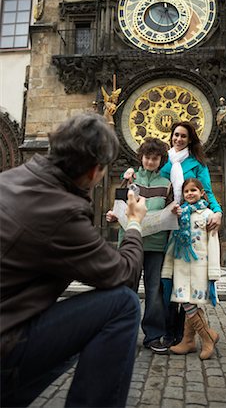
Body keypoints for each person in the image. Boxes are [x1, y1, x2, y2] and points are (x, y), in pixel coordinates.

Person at [0, 113, 147, 408]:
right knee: (122, 305)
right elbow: (124, 275)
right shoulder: (61, 211)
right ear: (95, 172)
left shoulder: (10, 178)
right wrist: (134, 223)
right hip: (5, 342)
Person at [106, 137, 178, 354]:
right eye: (147, 158)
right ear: (141, 158)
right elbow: (118, 209)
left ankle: (154, 336)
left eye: (155, 159)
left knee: (154, 290)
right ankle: (122, 334)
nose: (150, 162)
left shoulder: (166, 185)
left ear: (160, 161)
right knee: (127, 289)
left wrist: (174, 212)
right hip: (130, 243)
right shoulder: (129, 181)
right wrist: (111, 216)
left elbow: (171, 210)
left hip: (156, 244)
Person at [159, 121, 222, 346]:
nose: (178, 139)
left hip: (187, 225)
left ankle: (187, 336)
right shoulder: (164, 160)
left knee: (184, 278)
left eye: (183, 136)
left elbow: (208, 191)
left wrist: (218, 211)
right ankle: (173, 332)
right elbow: (148, 177)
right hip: (165, 223)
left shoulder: (197, 163)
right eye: (176, 135)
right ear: (171, 136)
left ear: (190, 139)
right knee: (167, 282)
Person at [161, 178, 221, 360]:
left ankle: (206, 337)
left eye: (193, 190)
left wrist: (214, 272)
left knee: (190, 302)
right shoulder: (180, 214)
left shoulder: (208, 214)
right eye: (186, 191)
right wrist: (167, 268)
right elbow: (172, 242)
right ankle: (190, 340)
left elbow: (213, 243)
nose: (190, 194)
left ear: (202, 193)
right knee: (186, 301)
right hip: (180, 265)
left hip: (199, 266)